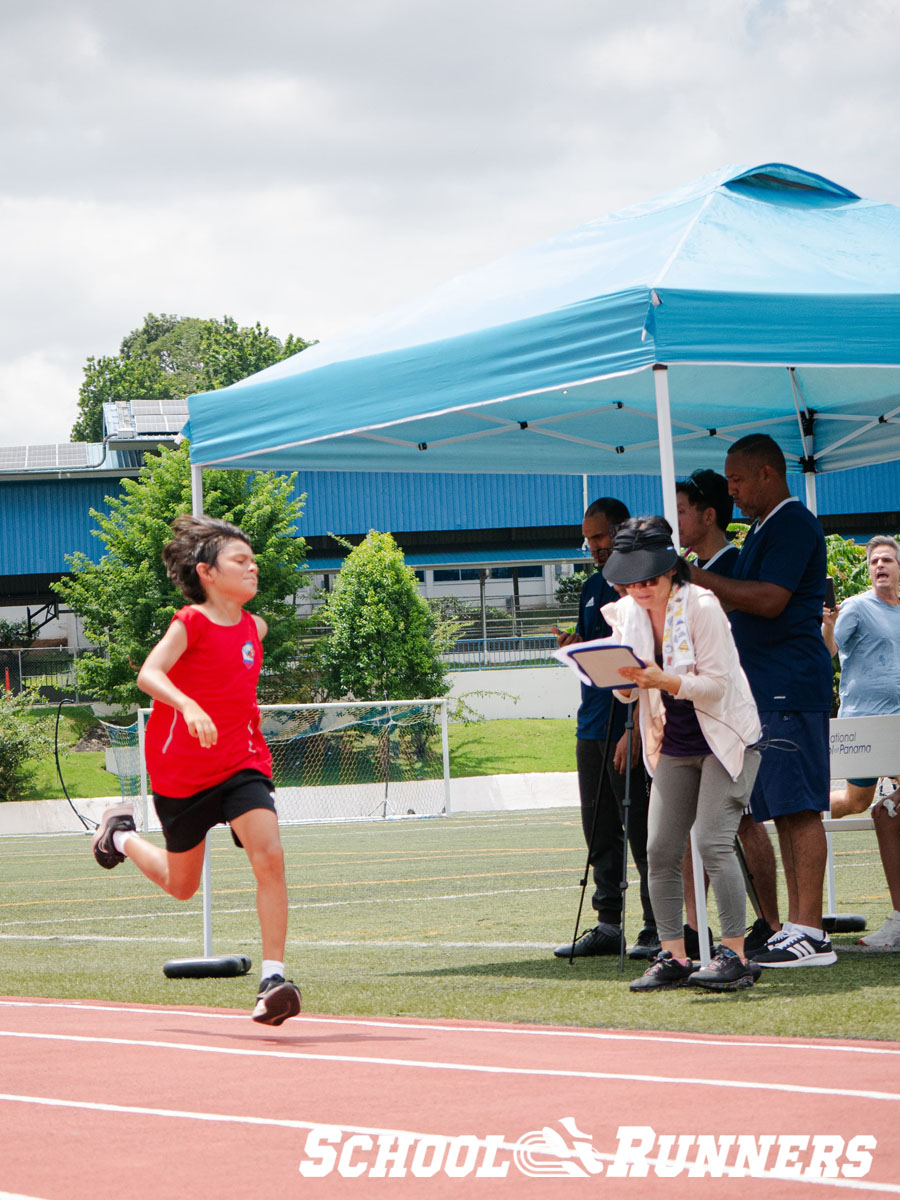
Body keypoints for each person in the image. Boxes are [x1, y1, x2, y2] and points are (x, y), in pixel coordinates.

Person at [90, 514, 302, 1025]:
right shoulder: (190, 622)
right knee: (182, 885)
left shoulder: (257, 627)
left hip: (242, 762)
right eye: (240, 560)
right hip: (181, 771)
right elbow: (149, 674)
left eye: (253, 560)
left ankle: (273, 977)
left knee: (269, 854)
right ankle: (118, 837)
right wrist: (188, 706)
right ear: (208, 572)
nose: (253, 568)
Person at [600, 517, 762, 992]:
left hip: (726, 736)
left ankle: (734, 954)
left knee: (712, 841)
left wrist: (662, 680)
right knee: (660, 849)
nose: (641, 588)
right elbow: (628, 694)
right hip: (672, 740)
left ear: (672, 569)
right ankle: (674, 956)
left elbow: (717, 687)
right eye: (631, 579)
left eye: (650, 577)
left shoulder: (702, 605)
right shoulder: (628, 610)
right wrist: (616, 678)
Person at [692, 434, 836, 968]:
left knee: (799, 808)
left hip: (790, 684)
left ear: (768, 474)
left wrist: (697, 579)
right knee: (783, 808)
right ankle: (797, 926)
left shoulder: (792, 524)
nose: (731, 491)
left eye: (738, 480)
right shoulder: (762, 529)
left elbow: (770, 601)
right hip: (769, 687)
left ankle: (811, 930)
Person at [676, 469, 781, 955]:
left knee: (743, 818)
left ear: (708, 514)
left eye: (681, 510)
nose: (675, 521)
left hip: (736, 714)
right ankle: (697, 931)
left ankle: (770, 923)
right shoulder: (687, 575)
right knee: (695, 826)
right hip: (696, 713)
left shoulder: (732, 567)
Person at [552, 497, 658, 960]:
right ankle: (608, 923)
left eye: (598, 537)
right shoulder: (593, 586)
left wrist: (633, 727)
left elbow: (644, 661)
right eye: (588, 539)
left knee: (642, 829)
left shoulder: (642, 587)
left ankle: (658, 925)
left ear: (619, 531)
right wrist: (578, 645)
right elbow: (603, 651)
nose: (592, 547)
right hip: (591, 723)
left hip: (628, 724)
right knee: (598, 831)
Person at [822, 534, 900, 949]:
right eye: (874, 562)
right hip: (864, 725)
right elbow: (827, 650)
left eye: (887, 560)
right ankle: (802, 804)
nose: (880, 566)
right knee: (856, 803)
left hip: (899, 726)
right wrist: (829, 627)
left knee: (891, 810)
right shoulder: (855, 607)